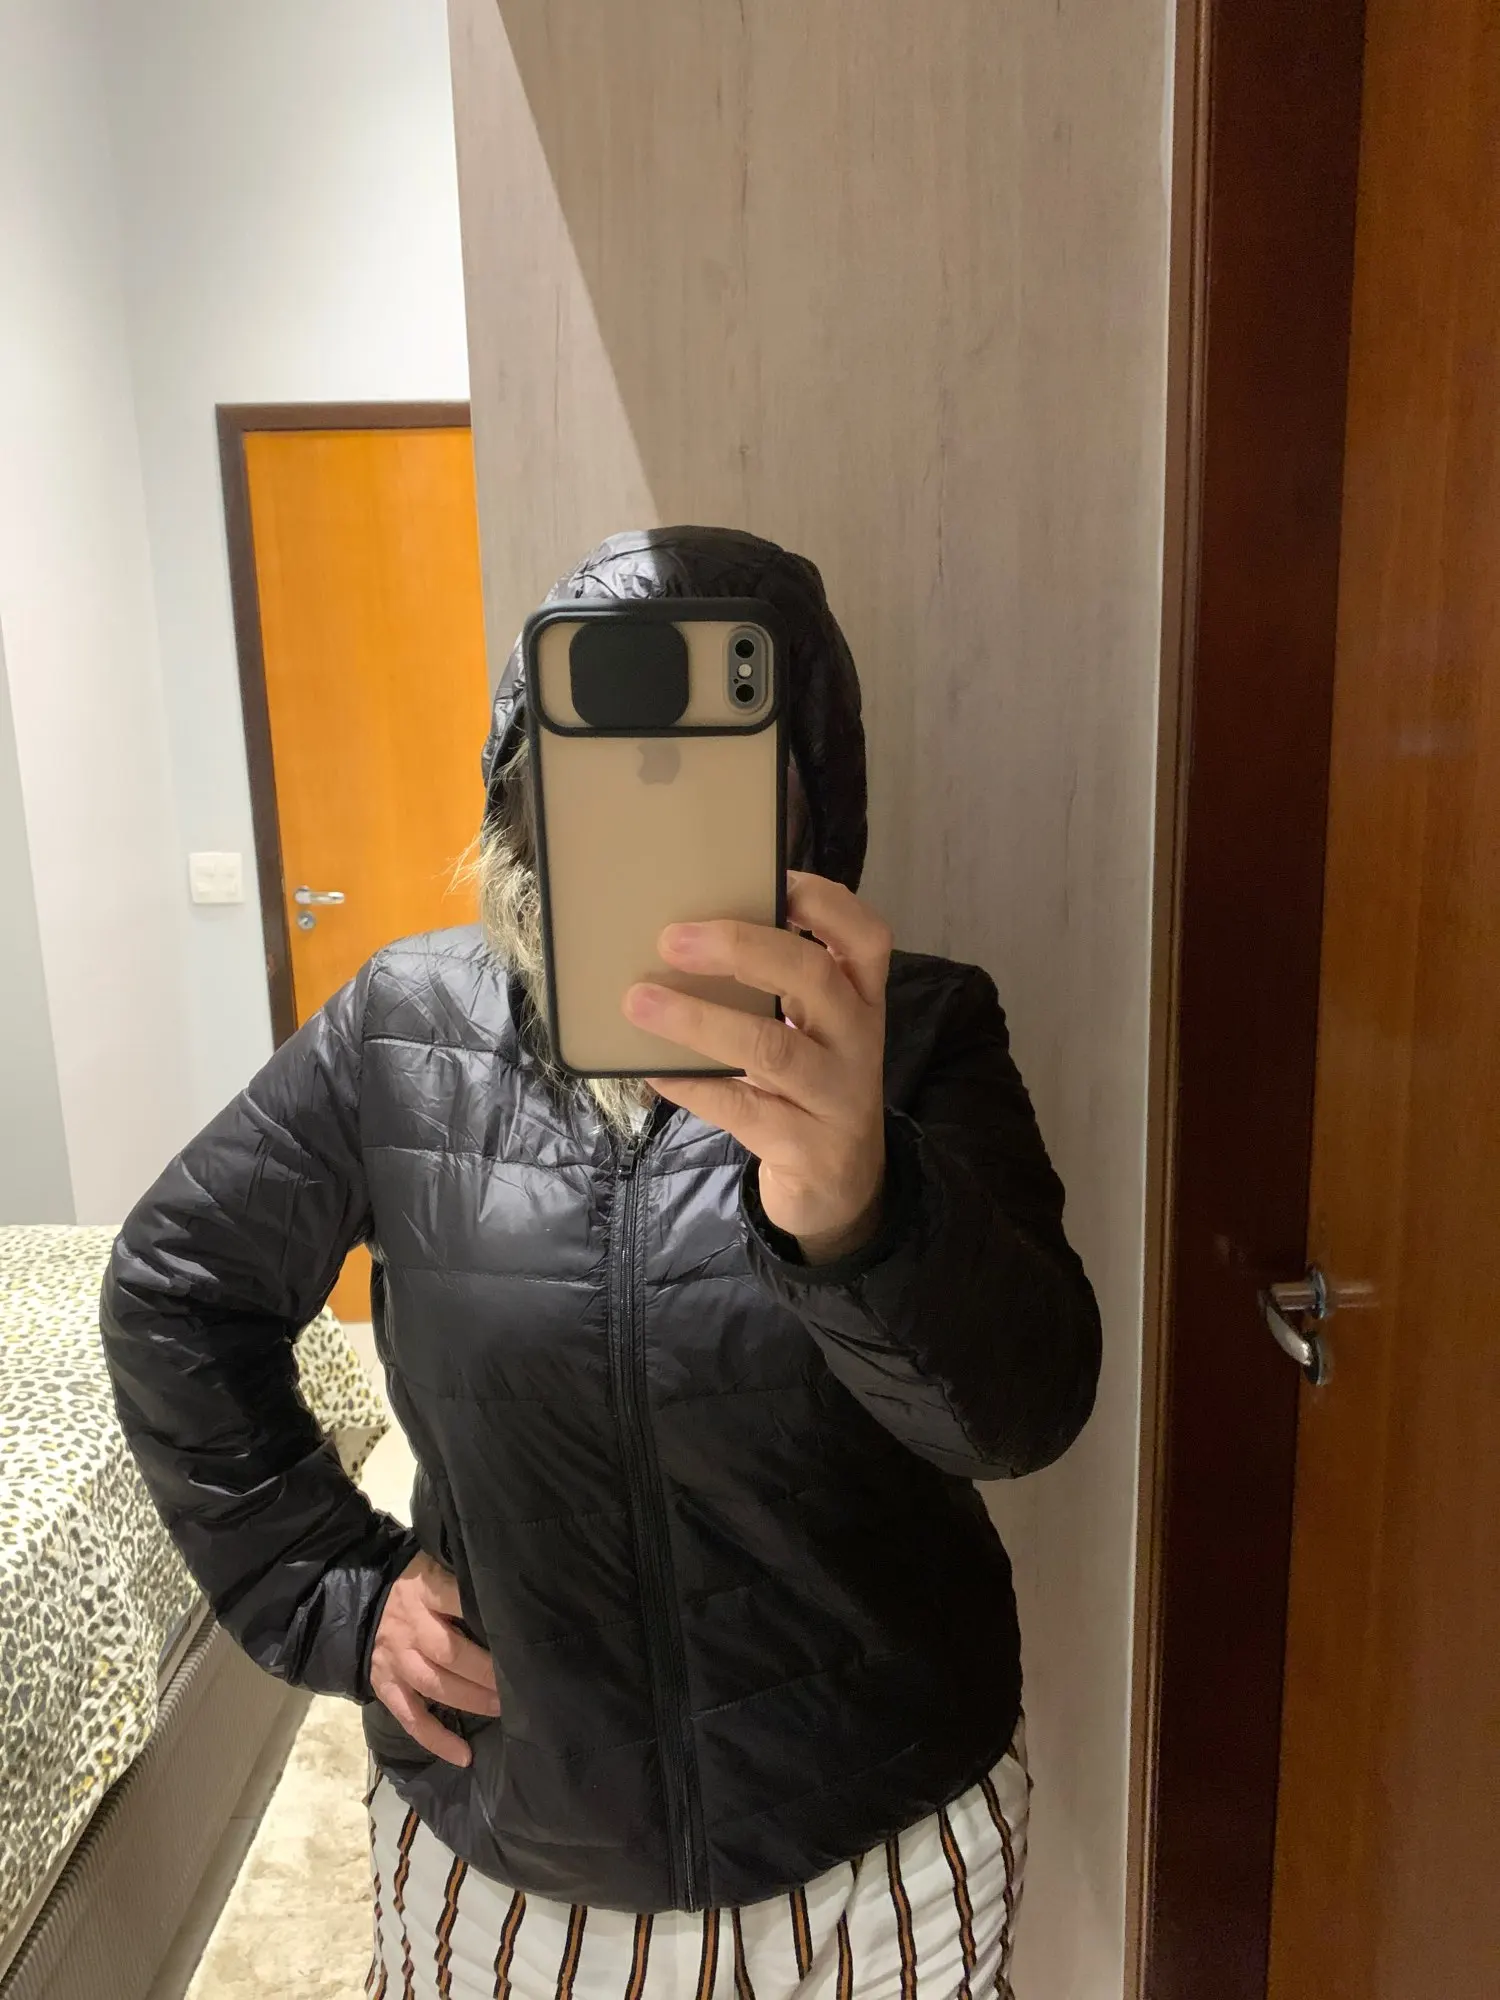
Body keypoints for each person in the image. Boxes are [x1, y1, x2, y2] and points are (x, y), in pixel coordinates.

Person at [102, 527, 1100, 1999]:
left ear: (812, 797)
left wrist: (859, 1209)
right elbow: (175, 1293)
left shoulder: (918, 1040)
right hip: (516, 1856)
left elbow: (1019, 1417)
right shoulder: (401, 1031)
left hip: (883, 1851)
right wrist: (334, 1588)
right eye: (599, 767)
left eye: (717, 771)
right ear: (523, 785)